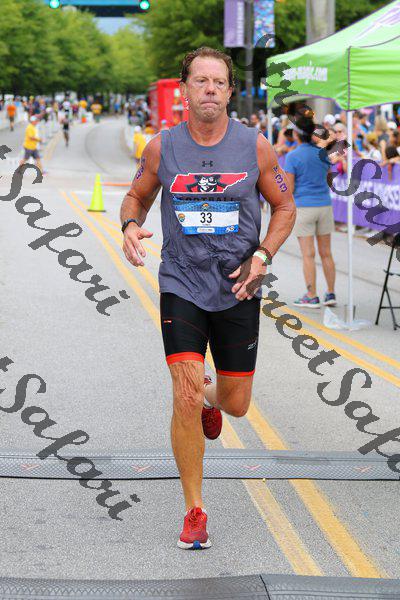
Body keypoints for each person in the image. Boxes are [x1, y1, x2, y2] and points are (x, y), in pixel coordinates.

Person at [120, 46, 295, 549]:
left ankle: (212, 399)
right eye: (201, 81)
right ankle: (194, 510)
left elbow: (284, 207)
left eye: (219, 82)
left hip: (239, 283)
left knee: (236, 404)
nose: (210, 89)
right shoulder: (162, 147)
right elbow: (137, 196)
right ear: (185, 89)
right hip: (182, 281)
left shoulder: (255, 146)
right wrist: (130, 225)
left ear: (230, 91)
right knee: (184, 392)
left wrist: (262, 255)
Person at [284, 116, 337, 308]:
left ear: (297, 134)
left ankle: (311, 295)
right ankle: (330, 293)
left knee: (308, 254)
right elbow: (329, 179)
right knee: (326, 253)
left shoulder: (292, 156)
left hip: (304, 206)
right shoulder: (323, 153)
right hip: (324, 205)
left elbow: (289, 188)